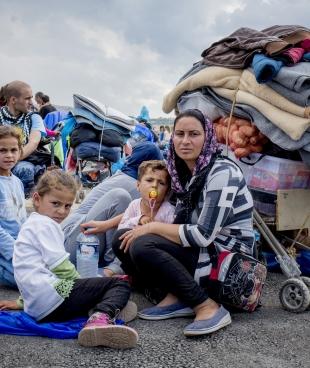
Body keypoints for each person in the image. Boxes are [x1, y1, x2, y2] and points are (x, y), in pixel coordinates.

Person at [112, 109, 256, 337]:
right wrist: (137, 224)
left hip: (228, 260)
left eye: (194, 134)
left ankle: (206, 306)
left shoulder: (222, 173)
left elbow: (203, 235)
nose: (185, 141)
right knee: (122, 239)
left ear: (207, 137)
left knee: (142, 243)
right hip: (200, 252)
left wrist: (150, 227)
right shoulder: (183, 174)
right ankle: (178, 296)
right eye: (179, 134)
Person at [0, 170, 138, 349]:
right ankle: (99, 318)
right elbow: (61, 267)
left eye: (67, 206)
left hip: (39, 307)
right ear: (36, 199)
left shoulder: (32, 224)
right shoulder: (45, 225)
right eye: (55, 203)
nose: (61, 211)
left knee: (96, 287)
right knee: (119, 284)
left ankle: (99, 306)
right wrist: (85, 283)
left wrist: (21, 303)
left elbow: (29, 271)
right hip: (53, 300)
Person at [61, 141, 163, 275]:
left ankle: (110, 265)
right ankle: (112, 265)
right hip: (74, 244)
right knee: (119, 197)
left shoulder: (122, 175)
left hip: (77, 241)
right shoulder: (135, 184)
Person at [0, 81, 47, 197]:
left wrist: (12, 159)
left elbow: (33, 142)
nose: (31, 102)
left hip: (24, 159)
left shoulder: (34, 118)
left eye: (31, 98)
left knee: (24, 170)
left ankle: (22, 202)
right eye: (27, 98)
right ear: (13, 100)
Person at [0, 126, 27, 288]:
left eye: (13, 150)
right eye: (2, 150)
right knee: (28, 281)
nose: (9, 155)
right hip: (6, 250)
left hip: (21, 245)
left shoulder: (17, 182)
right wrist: (16, 253)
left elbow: (21, 219)